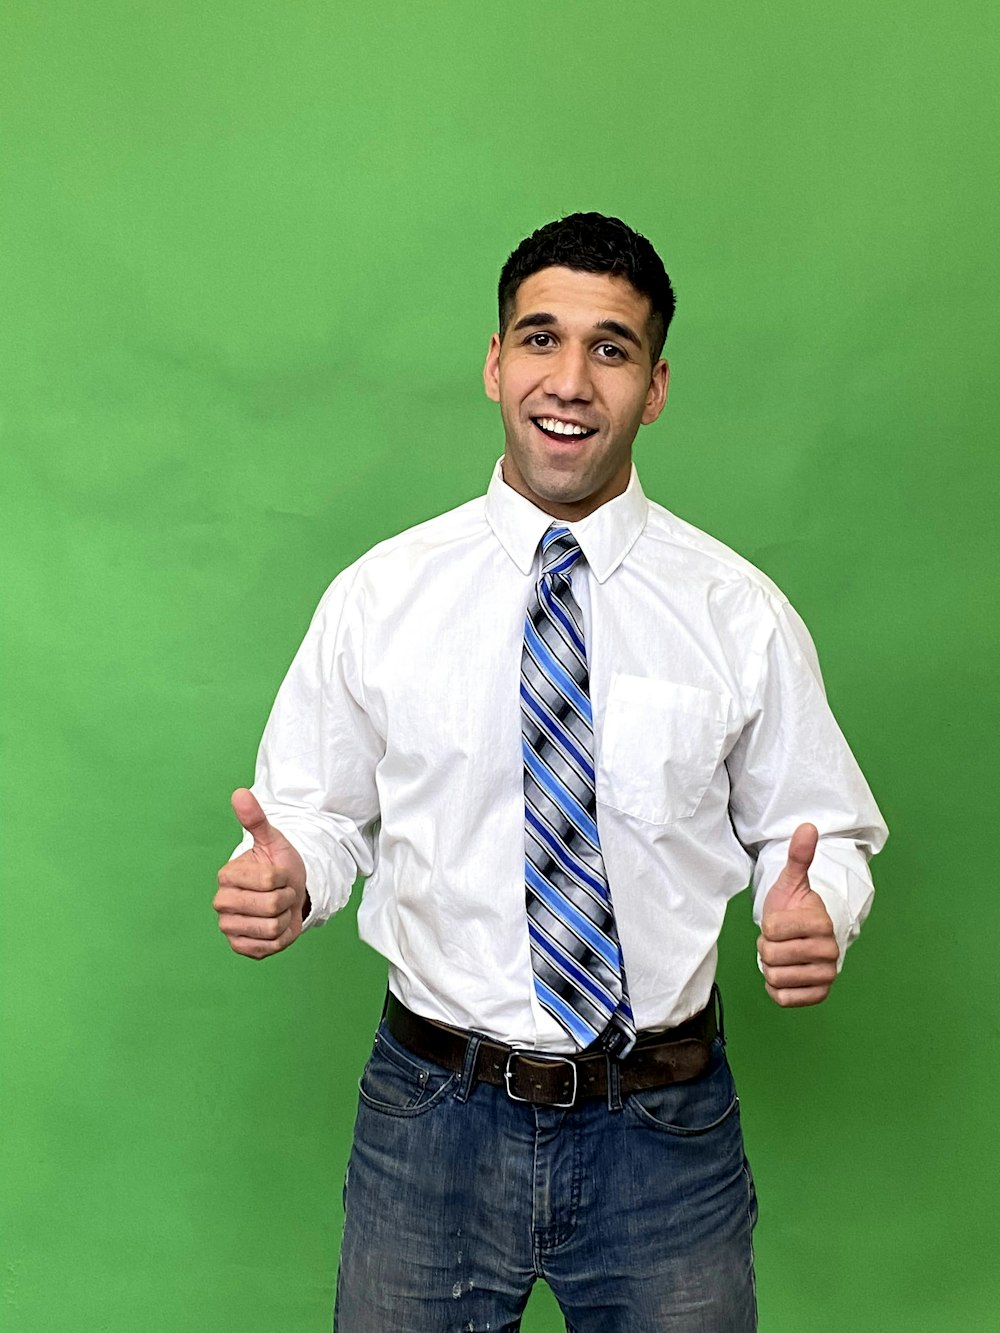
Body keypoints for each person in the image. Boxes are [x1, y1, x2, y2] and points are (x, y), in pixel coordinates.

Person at [213, 212, 887, 1332]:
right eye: (539, 339)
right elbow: (314, 814)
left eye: (610, 349)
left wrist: (817, 903)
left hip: (663, 1129)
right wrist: (290, 874)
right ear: (493, 363)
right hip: (430, 1119)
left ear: (654, 386)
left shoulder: (735, 612)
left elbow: (820, 832)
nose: (568, 380)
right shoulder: (380, 597)